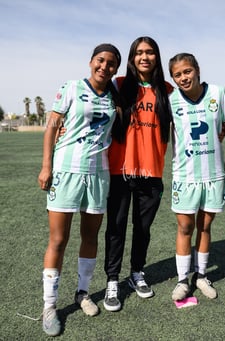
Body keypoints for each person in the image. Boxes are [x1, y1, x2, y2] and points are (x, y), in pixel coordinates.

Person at [37, 43, 121, 336]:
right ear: (91, 62)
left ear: (116, 69)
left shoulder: (115, 96)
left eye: (111, 64)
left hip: (98, 176)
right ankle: (49, 306)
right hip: (66, 172)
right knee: (58, 240)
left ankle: (82, 293)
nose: (105, 67)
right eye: (101, 60)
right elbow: (52, 127)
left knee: (90, 236)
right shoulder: (71, 88)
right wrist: (46, 166)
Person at [103, 36, 173, 312]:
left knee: (142, 229)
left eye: (150, 52)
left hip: (152, 172)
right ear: (132, 58)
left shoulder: (167, 90)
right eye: (139, 52)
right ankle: (112, 280)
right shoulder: (118, 85)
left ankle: (136, 273)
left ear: (157, 57)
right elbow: (94, 107)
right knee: (116, 228)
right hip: (120, 169)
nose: (144, 57)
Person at [168, 53, 225, 301]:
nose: (183, 78)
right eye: (177, 75)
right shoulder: (170, 100)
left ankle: (200, 276)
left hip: (213, 173)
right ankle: (182, 280)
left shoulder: (218, 93)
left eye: (187, 71)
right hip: (184, 174)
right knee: (185, 226)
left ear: (197, 70)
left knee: (205, 226)